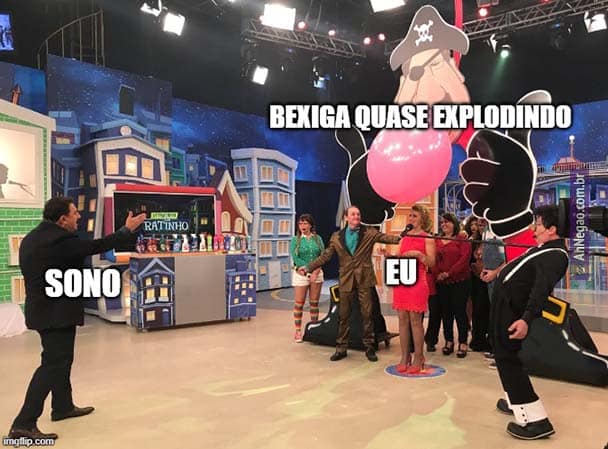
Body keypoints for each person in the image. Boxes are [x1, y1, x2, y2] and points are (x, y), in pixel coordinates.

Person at [8, 197, 146, 440]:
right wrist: (126, 230)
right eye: (74, 213)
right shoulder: (60, 241)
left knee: (61, 360)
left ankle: (62, 406)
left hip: (43, 311)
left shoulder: (33, 237)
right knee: (53, 364)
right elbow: (96, 246)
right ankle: (23, 424)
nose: (79, 217)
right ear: (63, 219)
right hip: (55, 313)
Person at [491, 206, 568, 440]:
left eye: (539, 224)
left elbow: (540, 289)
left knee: (507, 358)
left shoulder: (556, 255)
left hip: (514, 311)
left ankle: (536, 420)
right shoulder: (544, 248)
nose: (534, 228)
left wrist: (525, 319)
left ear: (552, 229)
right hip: (506, 306)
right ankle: (515, 400)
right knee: (501, 354)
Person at [298, 205, 401, 362]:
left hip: (364, 279)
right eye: (353, 214)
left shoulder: (369, 232)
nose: (356, 216)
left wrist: (403, 237)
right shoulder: (336, 237)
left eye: (358, 214)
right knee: (343, 315)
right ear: (346, 217)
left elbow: (388, 238)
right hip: (346, 279)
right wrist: (308, 267)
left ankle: (369, 348)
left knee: (367, 314)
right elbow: (325, 256)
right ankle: (341, 348)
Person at [392, 205, 435, 373]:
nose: (410, 218)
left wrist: (419, 255)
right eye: (409, 216)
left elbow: (431, 262)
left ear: (422, 219)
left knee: (415, 320)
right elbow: (398, 255)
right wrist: (388, 255)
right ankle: (404, 357)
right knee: (402, 319)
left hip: (418, 280)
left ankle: (419, 357)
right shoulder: (403, 237)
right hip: (402, 279)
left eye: (414, 216)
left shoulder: (427, 238)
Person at [432, 212, 471, 358]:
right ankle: (449, 341)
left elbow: (464, 259)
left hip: (460, 281)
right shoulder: (437, 240)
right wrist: (438, 274)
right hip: (442, 282)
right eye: (442, 222)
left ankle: (463, 342)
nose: (444, 224)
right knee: (446, 313)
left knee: (460, 312)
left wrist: (449, 273)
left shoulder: (462, 239)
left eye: (447, 222)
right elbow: (433, 259)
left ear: (454, 223)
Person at [290, 214, 325, 343]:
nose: (302, 226)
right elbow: (295, 257)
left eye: (305, 223)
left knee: (314, 303)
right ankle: (298, 331)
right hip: (301, 274)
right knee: (299, 303)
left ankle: (314, 330)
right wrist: (305, 269)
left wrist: (315, 271)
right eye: (300, 224)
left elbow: (323, 255)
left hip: (317, 273)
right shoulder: (296, 240)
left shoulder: (318, 239)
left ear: (310, 225)